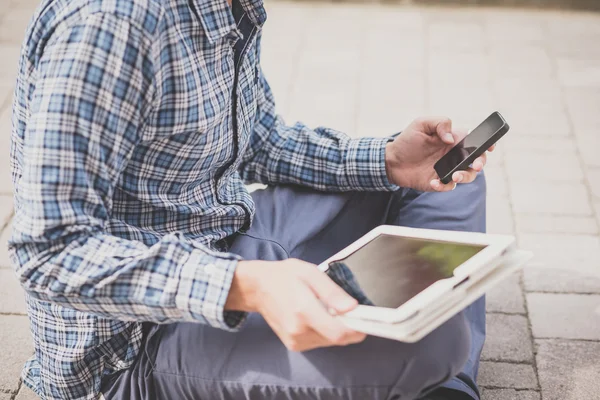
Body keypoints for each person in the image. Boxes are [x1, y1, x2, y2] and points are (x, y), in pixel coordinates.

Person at [9, 0, 493, 398]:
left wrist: (388, 161)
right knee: (436, 337)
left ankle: (440, 385)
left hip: (227, 235)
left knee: (447, 182)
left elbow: (260, 140)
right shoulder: (108, 27)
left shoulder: (228, 6)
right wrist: (244, 284)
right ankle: (438, 379)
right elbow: (49, 252)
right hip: (135, 342)